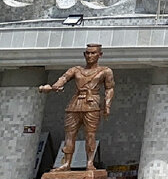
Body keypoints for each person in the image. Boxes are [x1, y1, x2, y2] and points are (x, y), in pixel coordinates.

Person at [39, 43, 115, 171]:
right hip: (75, 104)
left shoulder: (105, 71)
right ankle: (66, 163)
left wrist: (107, 105)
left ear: (99, 55)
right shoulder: (76, 70)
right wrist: (57, 85)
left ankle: (90, 163)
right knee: (69, 134)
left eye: (93, 53)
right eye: (87, 53)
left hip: (92, 104)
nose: (89, 56)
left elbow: (110, 88)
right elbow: (63, 78)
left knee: (90, 135)